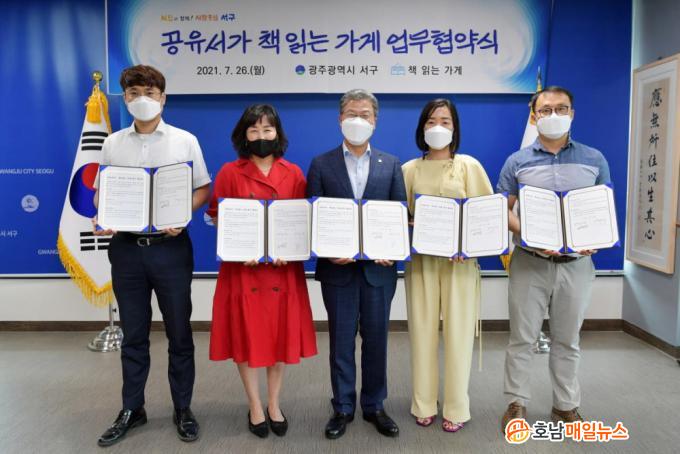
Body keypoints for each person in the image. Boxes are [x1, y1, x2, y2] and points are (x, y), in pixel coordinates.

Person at [93, 65, 211, 447]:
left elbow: (203, 189)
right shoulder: (113, 143)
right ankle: (133, 408)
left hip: (171, 249)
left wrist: (183, 213)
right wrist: (102, 214)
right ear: (125, 98)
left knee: (179, 332)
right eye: (133, 93)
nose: (141, 99)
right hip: (126, 251)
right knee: (134, 335)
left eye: (149, 92)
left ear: (163, 98)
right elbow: (102, 191)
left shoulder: (185, 141)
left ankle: (183, 408)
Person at [497, 86, 611, 432]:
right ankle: (516, 403)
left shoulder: (594, 159)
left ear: (572, 113)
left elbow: (602, 209)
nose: (553, 115)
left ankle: (565, 405)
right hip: (529, 262)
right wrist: (530, 232)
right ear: (534, 116)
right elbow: (503, 207)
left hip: (576, 265)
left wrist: (594, 238)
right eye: (545, 110)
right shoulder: (517, 161)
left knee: (567, 339)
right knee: (522, 338)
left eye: (561, 108)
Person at [207, 104, 317, 439]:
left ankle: (274, 403)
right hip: (243, 272)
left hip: (283, 272)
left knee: (279, 336)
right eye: (253, 130)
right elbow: (217, 217)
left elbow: (301, 221)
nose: (260, 136)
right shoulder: (229, 172)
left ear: (277, 133)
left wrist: (290, 249)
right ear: (244, 135)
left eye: (267, 130)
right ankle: (254, 405)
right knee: (245, 336)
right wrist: (240, 247)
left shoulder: (294, 173)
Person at [306, 89, 407, 439]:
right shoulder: (321, 164)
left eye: (365, 115)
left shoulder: (391, 164)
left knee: (377, 340)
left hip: (379, 270)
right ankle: (343, 407)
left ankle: (374, 405)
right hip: (338, 271)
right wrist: (326, 250)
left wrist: (392, 250)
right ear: (340, 119)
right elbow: (313, 218)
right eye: (351, 114)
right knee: (341, 342)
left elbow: (399, 215)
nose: (358, 120)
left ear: (375, 121)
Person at [402, 99, 493, 433]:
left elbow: (486, 215)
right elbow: (398, 217)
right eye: (431, 121)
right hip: (422, 264)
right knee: (422, 333)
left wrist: (468, 245)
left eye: (445, 121)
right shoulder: (409, 169)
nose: (437, 127)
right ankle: (423, 403)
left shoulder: (469, 166)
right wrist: (413, 226)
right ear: (421, 128)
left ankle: (456, 407)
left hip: (460, 265)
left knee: (458, 335)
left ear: (455, 128)